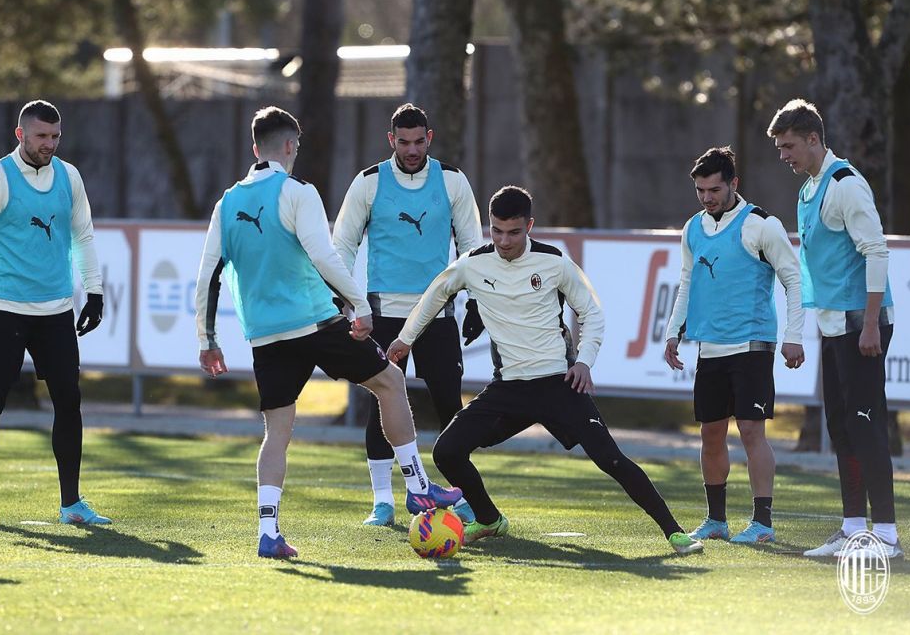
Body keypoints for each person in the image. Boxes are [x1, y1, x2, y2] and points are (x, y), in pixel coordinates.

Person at [194, 106, 462, 559]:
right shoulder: (298, 191)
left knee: (276, 431)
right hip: (315, 322)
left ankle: (268, 532)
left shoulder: (227, 203)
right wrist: (358, 305)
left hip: (264, 335)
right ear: (290, 148)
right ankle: (417, 488)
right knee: (391, 382)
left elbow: (208, 277)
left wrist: (208, 341)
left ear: (255, 148)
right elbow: (324, 256)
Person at [388, 186, 704, 555]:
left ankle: (675, 532)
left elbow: (592, 313)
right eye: (497, 231)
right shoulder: (472, 263)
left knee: (611, 459)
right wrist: (405, 338)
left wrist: (584, 360)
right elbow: (434, 296)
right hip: (508, 390)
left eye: (514, 232)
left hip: (559, 384)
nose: (504, 241)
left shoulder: (555, 262)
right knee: (447, 451)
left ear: (530, 226)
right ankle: (489, 519)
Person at [0, 100, 108, 526]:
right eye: (41, 137)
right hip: (5, 313)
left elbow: (84, 235)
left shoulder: (69, 177)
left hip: (56, 312)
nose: (49, 144)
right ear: (20, 135)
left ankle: (71, 503)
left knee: (69, 403)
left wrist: (94, 292)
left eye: (55, 137)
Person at [333, 103, 483, 527]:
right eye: (404, 142)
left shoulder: (453, 181)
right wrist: (344, 298)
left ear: (429, 138)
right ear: (391, 140)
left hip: (437, 314)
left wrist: (474, 300)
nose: (412, 149)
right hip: (383, 315)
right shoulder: (368, 183)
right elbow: (342, 245)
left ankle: (465, 497)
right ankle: (383, 501)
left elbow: (472, 246)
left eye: (419, 141)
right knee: (382, 402)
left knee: (450, 409)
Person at [767, 99, 901, 558]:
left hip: (861, 325)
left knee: (866, 426)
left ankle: (886, 536)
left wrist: (869, 326)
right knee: (842, 427)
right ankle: (852, 528)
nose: (783, 155)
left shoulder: (845, 184)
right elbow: (813, 268)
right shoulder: (808, 188)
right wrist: (803, 331)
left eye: (789, 146)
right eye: (780, 148)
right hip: (833, 324)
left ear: (813, 139)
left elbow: (876, 252)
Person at [663, 147, 805, 544]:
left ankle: (762, 524)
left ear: (733, 184)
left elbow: (793, 280)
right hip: (710, 348)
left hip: (752, 344)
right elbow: (687, 282)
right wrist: (674, 331)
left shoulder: (761, 225)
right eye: (700, 190)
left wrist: (793, 337)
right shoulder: (692, 228)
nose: (707, 197)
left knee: (750, 431)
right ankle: (716, 521)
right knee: (710, 433)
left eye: (714, 189)